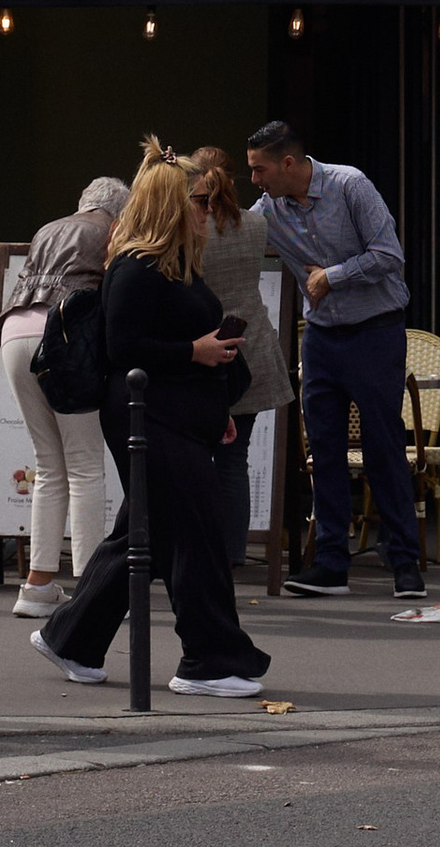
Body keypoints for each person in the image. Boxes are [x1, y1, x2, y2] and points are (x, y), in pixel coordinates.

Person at [33, 143, 271, 696]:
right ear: (172, 203)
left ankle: (73, 636)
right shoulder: (137, 266)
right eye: (201, 200)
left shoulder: (175, 264)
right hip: (146, 415)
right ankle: (208, 660)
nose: (210, 209)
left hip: (179, 414)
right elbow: (125, 346)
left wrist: (217, 402)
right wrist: (196, 352)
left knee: (153, 530)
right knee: (195, 533)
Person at [244, 120, 437, 610]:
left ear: (288, 163)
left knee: (382, 442)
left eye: (259, 169)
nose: (255, 180)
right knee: (324, 447)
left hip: (375, 329)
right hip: (323, 337)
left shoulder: (350, 185)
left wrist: (332, 275)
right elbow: (233, 235)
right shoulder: (267, 210)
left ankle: (404, 561)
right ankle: (331, 561)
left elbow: (388, 255)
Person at [0, 173, 130, 620]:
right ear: (119, 210)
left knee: (49, 465)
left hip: (14, 332)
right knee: (86, 466)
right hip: (67, 338)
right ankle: (94, 590)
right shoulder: (115, 230)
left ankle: (37, 585)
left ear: (84, 202)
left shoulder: (48, 228)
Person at [186, 147, 290, 571]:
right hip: (249, 346)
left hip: (201, 346)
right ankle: (232, 552)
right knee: (235, 457)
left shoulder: (192, 229)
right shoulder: (256, 224)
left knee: (191, 456)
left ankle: (195, 548)